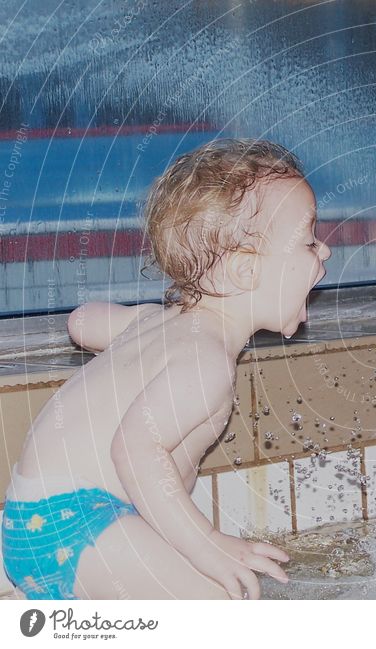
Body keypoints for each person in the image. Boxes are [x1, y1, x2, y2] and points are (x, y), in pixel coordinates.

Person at [2, 138, 331, 599]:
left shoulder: (155, 324)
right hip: (82, 524)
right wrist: (208, 545)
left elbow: (81, 322)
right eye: (309, 240)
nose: (326, 251)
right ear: (243, 272)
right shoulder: (206, 363)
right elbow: (135, 451)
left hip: (29, 521)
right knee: (222, 607)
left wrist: (121, 338)